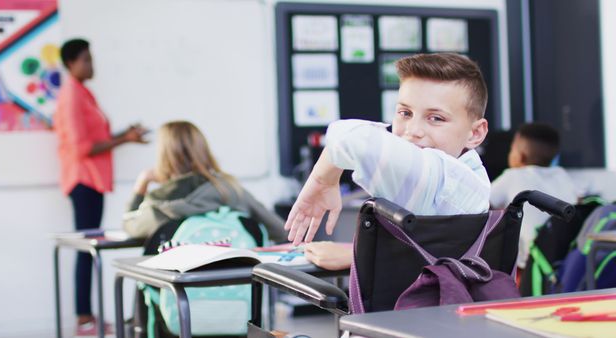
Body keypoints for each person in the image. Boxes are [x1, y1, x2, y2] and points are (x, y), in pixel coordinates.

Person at [285, 52, 491, 267]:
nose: (413, 131)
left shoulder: (447, 177)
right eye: (405, 113)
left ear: (475, 133)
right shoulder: (464, 174)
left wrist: (323, 178)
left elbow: (351, 137)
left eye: (436, 118)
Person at [53, 38, 148, 335]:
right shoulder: (71, 96)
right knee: (87, 248)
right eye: (86, 60)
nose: (92, 65)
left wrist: (124, 134)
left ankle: (87, 316)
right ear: (71, 63)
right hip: (83, 180)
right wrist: (125, 139)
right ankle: (84, 318)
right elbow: (83, 147)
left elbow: (97, 138)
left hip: (92, 180)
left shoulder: (83, 93)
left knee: (89, 247)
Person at [122, 120, 287, 243]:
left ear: (163, 158)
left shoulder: (158, 204)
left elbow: (130, 226)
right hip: (238, 285)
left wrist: (141, 185)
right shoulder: (230, 190)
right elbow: (281, 231)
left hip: (178, 288)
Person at [490, 122, 579, 271]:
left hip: (528, 266)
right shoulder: (562, 175)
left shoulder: (512, 176)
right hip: (562, 261)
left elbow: (482, 204)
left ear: (521, 154)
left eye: (512, 148)